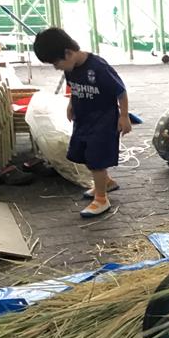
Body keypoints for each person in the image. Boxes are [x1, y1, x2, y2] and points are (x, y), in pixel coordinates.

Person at [33, 27, 130, 218]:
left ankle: (101, 198)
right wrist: (71, 104)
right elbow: (74, 88)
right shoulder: (71, 69)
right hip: (83, 119)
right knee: (83, 153)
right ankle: (106, 182)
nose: (56, 68)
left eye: (56, 63)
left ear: (68, 53)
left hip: (103, 120)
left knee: (96, 157)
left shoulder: (98, 67)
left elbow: (120, 91)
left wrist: (124, 116)